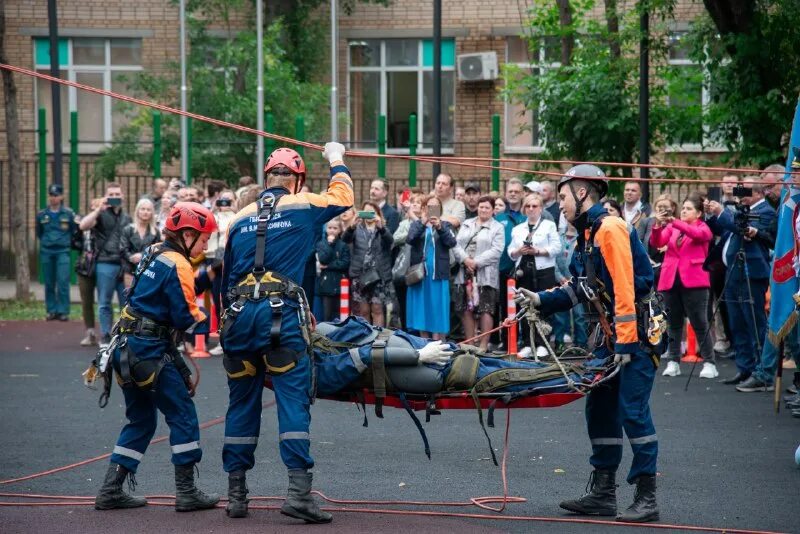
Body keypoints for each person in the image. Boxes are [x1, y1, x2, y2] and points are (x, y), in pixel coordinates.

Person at [517, 164, 662, 523]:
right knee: (599, 408)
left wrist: (626, 345)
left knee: (632, 411)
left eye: (563, 197)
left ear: (582, 193)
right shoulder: (588, 233)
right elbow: (582, 287)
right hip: (611, 336)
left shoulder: (610, 228)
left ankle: (646, 497)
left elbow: (625, 288)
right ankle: (603, 493)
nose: (560, 204)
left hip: (635, 336)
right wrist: (541, 300)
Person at [220, 143, 352, 523]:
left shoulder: (239, 218)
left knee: (240, 404)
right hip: (280, 318)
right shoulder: (303, 203)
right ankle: (298, 494)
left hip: (238, 319)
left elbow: (226, 280)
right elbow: (343, 196)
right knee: (292, 400)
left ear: (266, 179)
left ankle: (236, 496)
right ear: (297, 180)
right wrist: (336, 156)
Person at [94, 202, 219, 513]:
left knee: (141, 420)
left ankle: (110, 490)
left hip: (126, 347)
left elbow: (165, 290)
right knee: (183, 415)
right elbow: (186, 316)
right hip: (149, 351)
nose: (206, 246)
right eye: (204, 239)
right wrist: (228, 323)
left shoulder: (153, 252)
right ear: (187, 234)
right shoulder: (179, 263)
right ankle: (187, 492)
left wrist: (208, 275)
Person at [704, 177, 777, 386]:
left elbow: (742, 229)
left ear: (759, 193)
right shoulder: (740, 210)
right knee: (737, 323)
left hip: (751, 272)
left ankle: (762, 371)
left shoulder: (766, 211)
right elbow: (722, 229)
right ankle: (745, 368)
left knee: (754, 323)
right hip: (733, 272)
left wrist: (722, 212)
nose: (740, 195)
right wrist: (712, 214)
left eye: (745, 191)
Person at [650, 194, 716, 379]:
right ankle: (673, 361)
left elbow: (697, 235)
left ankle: (709, 362)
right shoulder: (673, 227)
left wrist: (675, 222)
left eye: (689, 209)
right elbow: (657, 242)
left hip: (695, 280)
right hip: (671, 279)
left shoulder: (703, 228)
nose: (684, 211)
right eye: (684, 208)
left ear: (699, 213)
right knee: (673, 323)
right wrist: (657, 225)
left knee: (699, 322)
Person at [507, 193, 561, 358]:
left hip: (544, 271)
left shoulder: (548, 225)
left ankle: (543, 343)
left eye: (534, 206)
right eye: (528, 206)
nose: (531, 209)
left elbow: (556, 247)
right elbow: (510, 252)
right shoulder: (518, 229)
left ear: (540, 208)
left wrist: (537, 251)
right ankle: (528, 343)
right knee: (525, 306)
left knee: (543, 305)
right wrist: (519, 251)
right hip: (524, 271)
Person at [79, 182, 132, 346]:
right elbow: (83, 225)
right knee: (104, 302)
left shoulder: (127, 218)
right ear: (106, 197)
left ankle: (124, 334)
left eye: (117, 194)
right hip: (105, 263)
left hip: (124, 264)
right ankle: (105, 335)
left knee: (126, 303)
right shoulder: (100, 215)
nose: (114, 197)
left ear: (122, 196)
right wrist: (98, 209)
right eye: (111, 195)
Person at [452, 196, 504, 350]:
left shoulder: (497, 227)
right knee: (466, 308)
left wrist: (475, 262)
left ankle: (483, 345)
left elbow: (497, 250)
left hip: (485, 274)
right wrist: (465, 260)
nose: (483, 210)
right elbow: (456, 245)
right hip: (464, 272)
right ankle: (470, 343)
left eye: (487, 207)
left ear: (493, 210)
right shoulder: (467, 223)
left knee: (486, 308)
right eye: (481, 207)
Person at [406, 196, 457, 339]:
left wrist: (440, 227)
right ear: (423, 208)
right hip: (420, 275)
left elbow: (451, 242)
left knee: (437, 309)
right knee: (422, 309)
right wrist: (422, 223)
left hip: (438, 275)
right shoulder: (417, 224)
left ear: (440, 210)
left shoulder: (446, 225)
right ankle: (424, 341)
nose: (432, 209)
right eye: (429, 206)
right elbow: (410, 239)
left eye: (435, 207)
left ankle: (437, 341)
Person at [343, 201, 394, 328]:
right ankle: (366, 335)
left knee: (377, 309)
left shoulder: (382, 229)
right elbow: (345, 239)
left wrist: (381, 228)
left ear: (378, 214)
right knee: (363, 310)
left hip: (378, 276)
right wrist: (351, 227)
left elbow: (390, 241)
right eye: (366, 212)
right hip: (360, 275)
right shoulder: (356, 229)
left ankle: (378, 336)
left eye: (372, 212)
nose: (369, 215)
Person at [36, 183, 77, 321]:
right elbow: (39, 233)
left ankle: (63, 311)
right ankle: (51, 310)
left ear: (61, 196)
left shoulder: (68, 213)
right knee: (49, 282)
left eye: (56, 195)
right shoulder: (42, 215)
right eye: (51, 195)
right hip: (47, 251)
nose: (53, 198)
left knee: (63, 281)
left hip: (62, 251)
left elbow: (73, 231)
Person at [120, 198, 160, 288]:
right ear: (137, 211)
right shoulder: (128, 229)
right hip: (130, 270)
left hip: (148, 271)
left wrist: (142, 256)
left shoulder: (156, 232)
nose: (145, 212)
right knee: (129, 295)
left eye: (148, 210)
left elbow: (157, 251)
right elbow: (123, 248)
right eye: (143, 209)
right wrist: (131, 257)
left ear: (152, 213)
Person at [316, 217, 350, 322]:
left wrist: (329, 266)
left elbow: (345, 263)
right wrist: (329, 245)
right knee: (327, 314)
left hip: (340, 284)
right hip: (326, 284)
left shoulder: (343, 245)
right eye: (330, 228)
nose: (332, 230)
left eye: (335, 228)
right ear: (326, 229)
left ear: (340, 230)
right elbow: (323, 259)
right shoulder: (321, 244)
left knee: (340, 314)